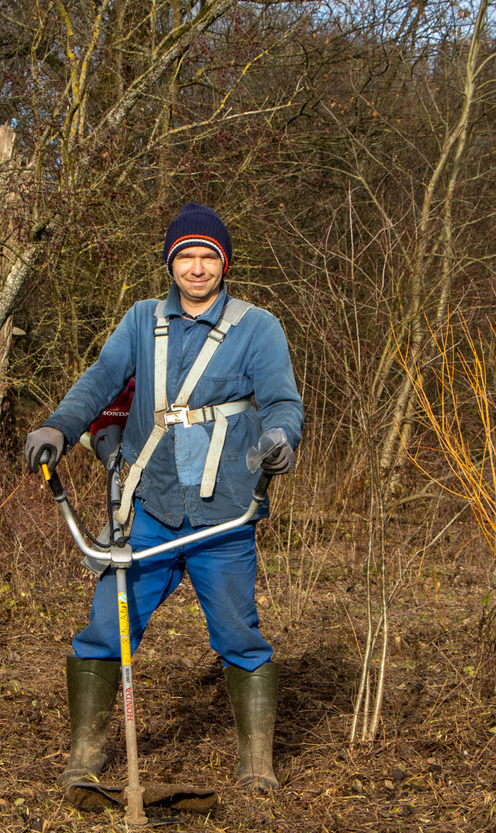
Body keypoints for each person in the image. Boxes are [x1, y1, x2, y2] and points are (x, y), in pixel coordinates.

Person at [24, 204, 303, 792]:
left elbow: (283, 403)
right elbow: (100, 381)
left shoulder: (258, 326)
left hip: (223, 513)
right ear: (171, 262)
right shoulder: (141, 319)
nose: (197, 269)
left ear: (224, 264)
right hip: (147, 507)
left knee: (237, 634)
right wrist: (59, 427)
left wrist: (279, 438)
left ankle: (256, 765)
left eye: (208, 258)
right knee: (106, 629)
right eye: (187, 257)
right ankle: (87, 757)